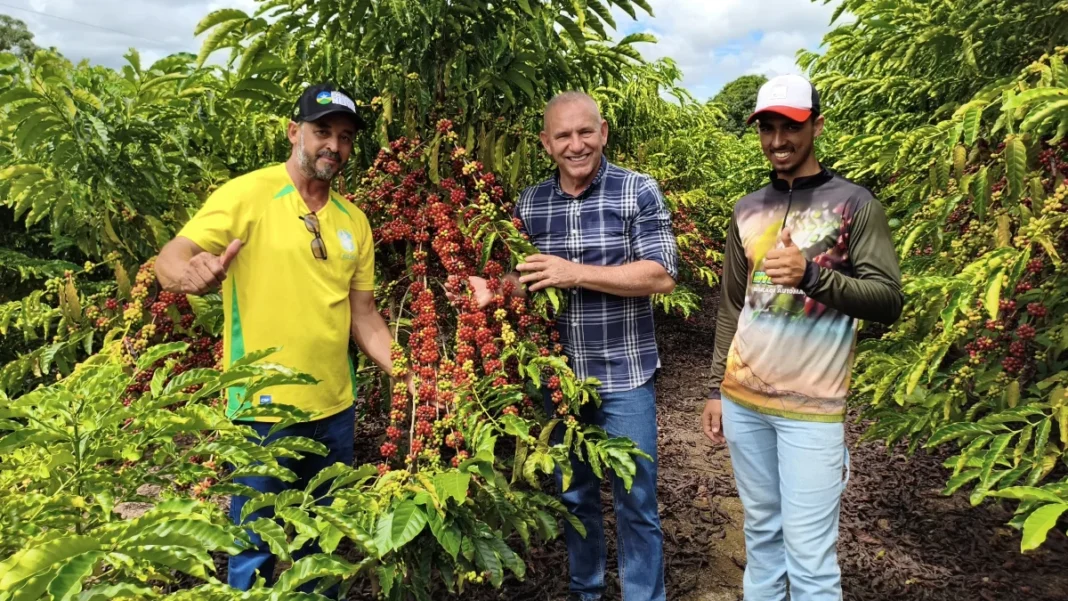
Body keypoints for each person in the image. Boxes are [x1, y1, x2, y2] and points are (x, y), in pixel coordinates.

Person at [155, 83, 404, 594]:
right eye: (321, 132)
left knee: (326, 544)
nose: (332, 145)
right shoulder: (247, 194)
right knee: (253, 543)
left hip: (335, 408)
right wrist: (190, 274)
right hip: (261, 411)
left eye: (345, 136)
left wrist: (414, 374)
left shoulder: (354, 221)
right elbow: (171, 258)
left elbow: (365, 318)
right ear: (295, 132)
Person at [464, 91, 676, 601]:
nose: (576, 145)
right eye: (563, 135)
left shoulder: (637, 191)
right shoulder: (530, 202)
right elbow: (524, 278)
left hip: (624, 376)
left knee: (635, 500)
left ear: (603, 132)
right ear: (546, 142)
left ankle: (644, 597)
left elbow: (662, 274)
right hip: (558, 383)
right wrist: (493, 290)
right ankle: (587, 591)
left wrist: (573, 273)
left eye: (586, 132)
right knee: (574, 496)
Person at [701, 74, 903, 601]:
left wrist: (812, 276)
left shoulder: (854, 204)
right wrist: (714, 387)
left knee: (810, 557)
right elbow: (731, 303)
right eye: (767, 128)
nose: (778, 141)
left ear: (815, 124)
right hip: (743, 401)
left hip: (812, 410)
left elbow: (888, 300)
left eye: (790, 126)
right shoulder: (747, 209)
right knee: (762, 535)